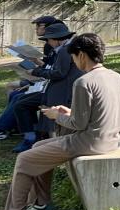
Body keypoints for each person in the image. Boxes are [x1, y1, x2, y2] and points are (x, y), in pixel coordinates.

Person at [0, 33, 120, 210]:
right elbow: (98, 114)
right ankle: (41, 204)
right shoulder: (115, 76)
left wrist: (56, 115)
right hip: (110, 138)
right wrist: (68, 112)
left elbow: (78, 124)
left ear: (81, 55)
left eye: (73, 57)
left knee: (25, 159)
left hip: (89, 142)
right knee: (37, 147)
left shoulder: (84, 82)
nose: (73, 61)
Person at [10, 22, 82, 152]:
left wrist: (35, 72)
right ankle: (34, 136)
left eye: (49, 39)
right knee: (22, 103)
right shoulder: (64, 49)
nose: (48, 43)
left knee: (23, 105)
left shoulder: (65, 51)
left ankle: (33, 138)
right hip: (56, 88)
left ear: (56, 39)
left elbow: (59, 73)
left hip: (62, 91)